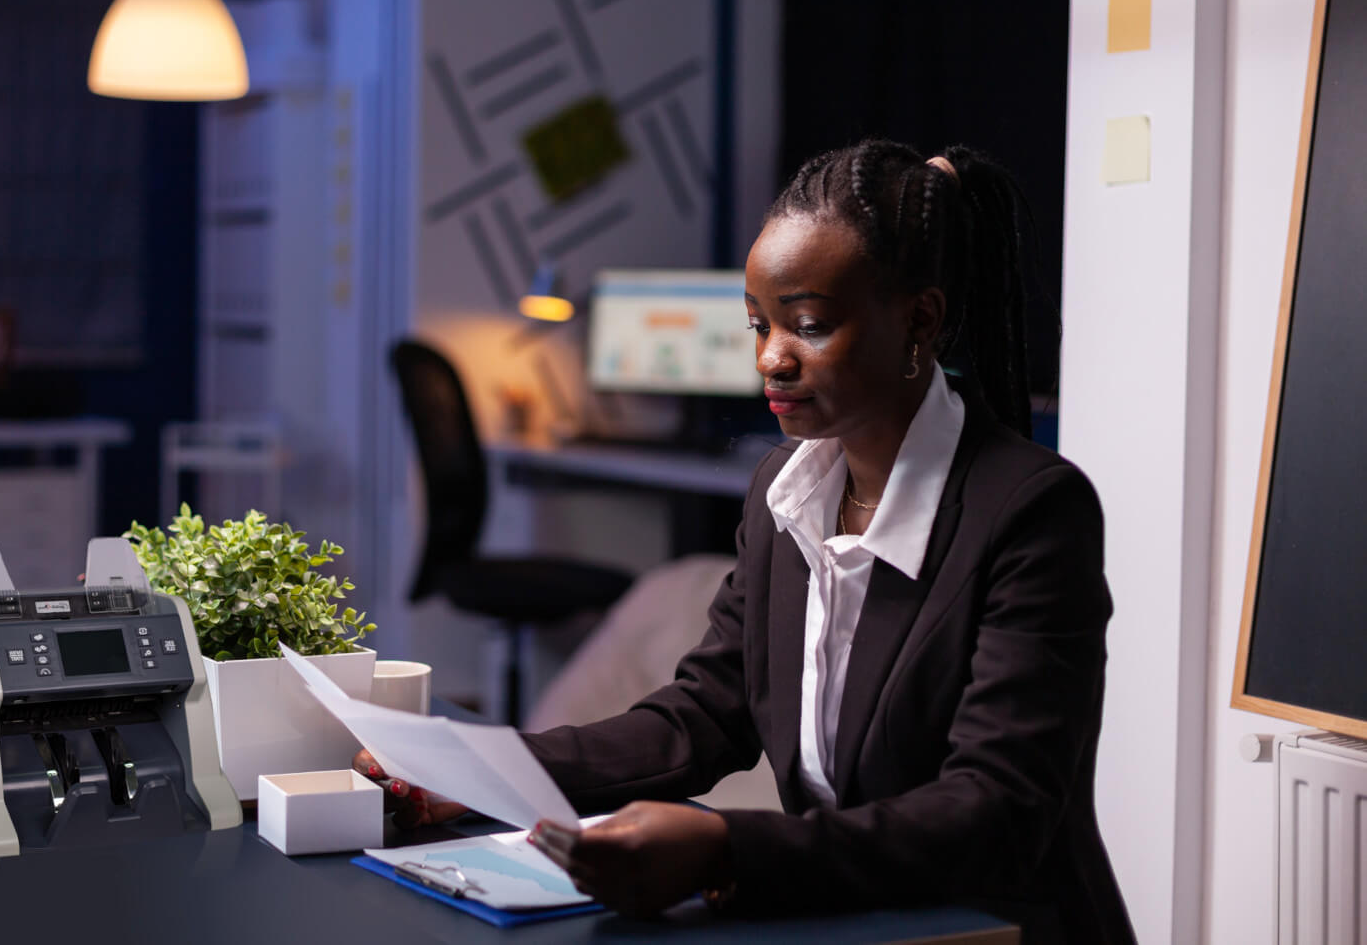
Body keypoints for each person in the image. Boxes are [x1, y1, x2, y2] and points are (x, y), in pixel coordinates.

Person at [354, 137, 1135, 943]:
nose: (771, 359)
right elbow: (703, 715)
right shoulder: (782, 492)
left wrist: (727, 848)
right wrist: (486, 773)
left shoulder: (1032, 511)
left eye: (809, 326)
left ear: (920, 321)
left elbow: (997, 811)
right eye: (759, 325)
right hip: (852, 920)